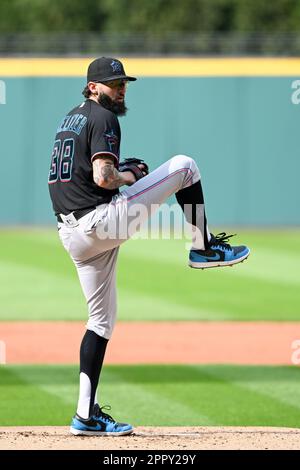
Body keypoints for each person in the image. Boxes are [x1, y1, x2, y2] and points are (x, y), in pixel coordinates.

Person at [48, 57, 250, 437]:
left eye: (124, 81)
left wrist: (119, 174)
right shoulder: (103, 117)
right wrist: (130, 173)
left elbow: (83, 176)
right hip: (97, 221)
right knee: (185, 166)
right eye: (113, 82)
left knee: (101, 322)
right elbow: (104, 178)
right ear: (93, 86)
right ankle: (202, 246)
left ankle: (85, 415)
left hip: (71, 234)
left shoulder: (68, 120)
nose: (121, 87)